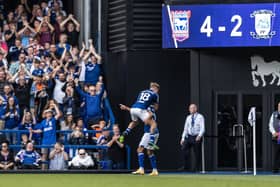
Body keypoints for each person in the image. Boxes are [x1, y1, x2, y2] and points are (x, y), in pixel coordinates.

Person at [120, 104, 159, 175]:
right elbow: (138, 116)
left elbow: (148, 116)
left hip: (151, 133)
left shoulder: (149, 111)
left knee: (141, 150)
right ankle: (152, 170)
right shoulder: (148, 110)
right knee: (148, 151)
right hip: (150, 132)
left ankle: (145, 169)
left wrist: (126, 108)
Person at [120, 82, 160, 149]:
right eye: (158, 90)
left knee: (135, 122)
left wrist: (126, 107)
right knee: (153, 124)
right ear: (156, 88)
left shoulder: (142, 92)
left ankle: (126, 132)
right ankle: (151, 141)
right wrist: (152, 106)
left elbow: (140, 102)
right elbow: (156, 108)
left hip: (133, 109)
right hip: (141, 110)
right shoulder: (155, 94)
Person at [30, 104, 61, 169]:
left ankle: (53, 169)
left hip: (52, 141)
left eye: (50, 113)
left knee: (52, 156)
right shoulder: (43, 122)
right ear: (45, 115)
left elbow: (58, 114)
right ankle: (43, 170)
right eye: (47, 113)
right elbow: (41, 130)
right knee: (44, 156)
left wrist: (55, 106)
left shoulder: (53, 120)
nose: (49, 114)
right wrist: (33, 131)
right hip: (45, 142)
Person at [180, 104, 205, 172]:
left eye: (193, 108)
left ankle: (196, 168)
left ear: (196, 109)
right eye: (190, 108)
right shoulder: (188, 117)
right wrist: (183, 138)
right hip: (189, 136)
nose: (191, 109)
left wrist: (199, 136)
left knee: (197, 153)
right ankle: (186, 167)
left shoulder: (200, 117)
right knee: (184, 149)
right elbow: (185, 128)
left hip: (196, 136)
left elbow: (202, 128)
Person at [269, 102, 280, 173]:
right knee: (276, 153)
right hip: (276, 138)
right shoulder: (274, 114)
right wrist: (274, 133)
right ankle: (275, 169)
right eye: (279, 106)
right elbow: (270, 125)